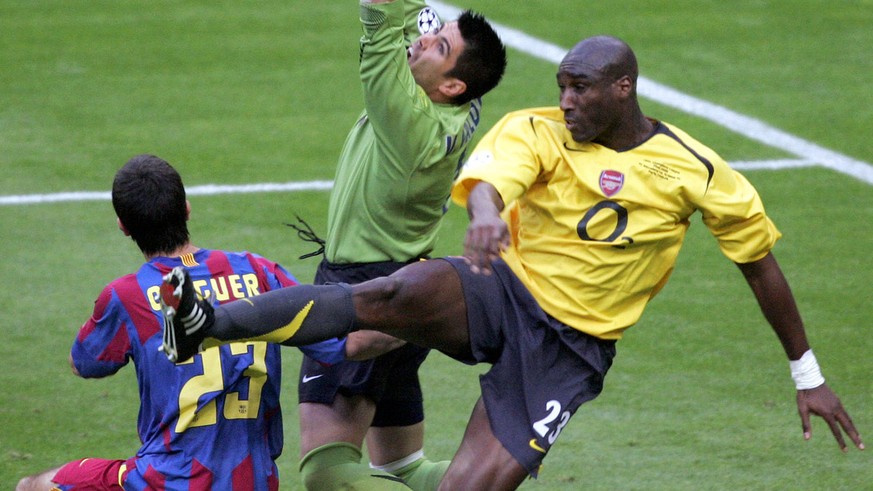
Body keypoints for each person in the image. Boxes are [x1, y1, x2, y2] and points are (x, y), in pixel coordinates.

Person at [159, 35, 864, 490]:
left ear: (622, 88)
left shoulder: (693, 169)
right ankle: (205, 320)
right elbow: (494, 178)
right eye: (561, 85)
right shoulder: (537, 128)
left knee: (474, 485)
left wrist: (808, 375)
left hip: (569, 347)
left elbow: (758, 263)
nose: (566, 102)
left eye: (580, 89)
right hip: (500, 288)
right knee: (392, 292)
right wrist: (488, 214)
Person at [16, 154, 350, 491]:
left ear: (123, 226)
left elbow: (83, 363)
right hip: (256, 480)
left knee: (34, 485)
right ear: (187, 208)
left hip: (167, 480)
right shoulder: (259, 271)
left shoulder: (126, 296)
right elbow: (337, 344)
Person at [288, 0, 505, 489]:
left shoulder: (408, 119)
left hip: (362, 288)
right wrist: (416, 22)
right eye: (435, 33)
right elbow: (409, 29)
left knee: (329, 474)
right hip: (411, 278)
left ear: (452, 84)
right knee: (403, 469)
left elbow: (381, 32)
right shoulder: (459, 105)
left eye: (440, 45)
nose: (425, 40)